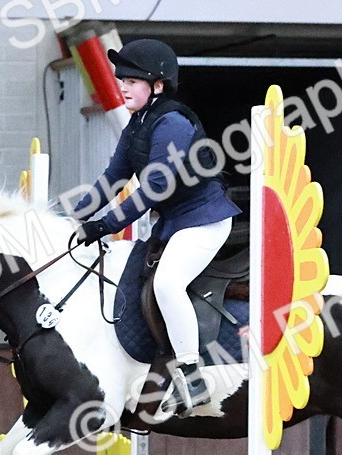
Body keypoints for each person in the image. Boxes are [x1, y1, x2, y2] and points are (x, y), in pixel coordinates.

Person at [71, 39, 240, 417]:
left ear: (158, 86)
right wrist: (75, 217)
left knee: (167, 283)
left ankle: (193, 376)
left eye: (132, 80)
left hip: (205, 220)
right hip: (175, 223)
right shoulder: (138, 124)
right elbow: (114, 177)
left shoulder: (174, 123)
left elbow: (155, 187)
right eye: (122, 80)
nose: (123, 86)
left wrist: (105, 224)